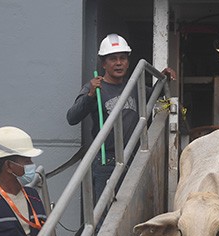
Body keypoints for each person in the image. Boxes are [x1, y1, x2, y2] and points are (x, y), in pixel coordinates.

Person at [66, 33, 176, 201]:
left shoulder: (134, 87)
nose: (118, 63)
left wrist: (163, 79)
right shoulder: (95, 87)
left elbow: (154, 95)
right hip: (106, 161)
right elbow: (72, 117)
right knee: (104, 215)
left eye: (123, 58)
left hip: (132, 159)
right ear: (103, 63)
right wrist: (90, 95)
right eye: (113, 59)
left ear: (128, 61)